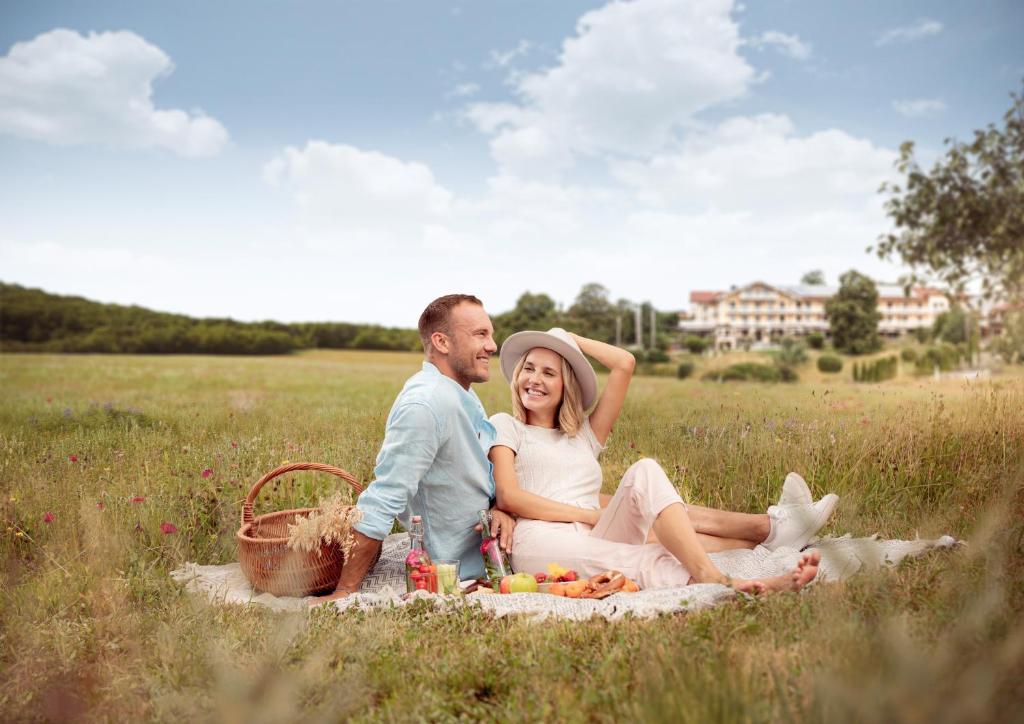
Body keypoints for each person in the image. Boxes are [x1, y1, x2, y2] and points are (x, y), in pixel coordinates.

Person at [489, 328, 839, 594]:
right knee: (640, 559)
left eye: (549, 373)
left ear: (566, 384)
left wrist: (566, 338)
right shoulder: (507, 426)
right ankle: (725, 581)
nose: (533, 379)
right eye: (529, 369)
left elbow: (624, 363)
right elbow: (509, 497)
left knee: (645, 470)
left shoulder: (583, 435)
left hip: (596, 528)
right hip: (542, 539)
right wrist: (585, 514)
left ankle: (764, 539)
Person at [314, 294, 516, 603]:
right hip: (460, 569)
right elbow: (384, 498)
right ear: (442, 342)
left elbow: (476, 474)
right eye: (480, 334)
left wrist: (499, 509)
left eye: (490, 334)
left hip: (493, 549)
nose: (492, 345)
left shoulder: (460, 392)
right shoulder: (425, 404)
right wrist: (344, 592)